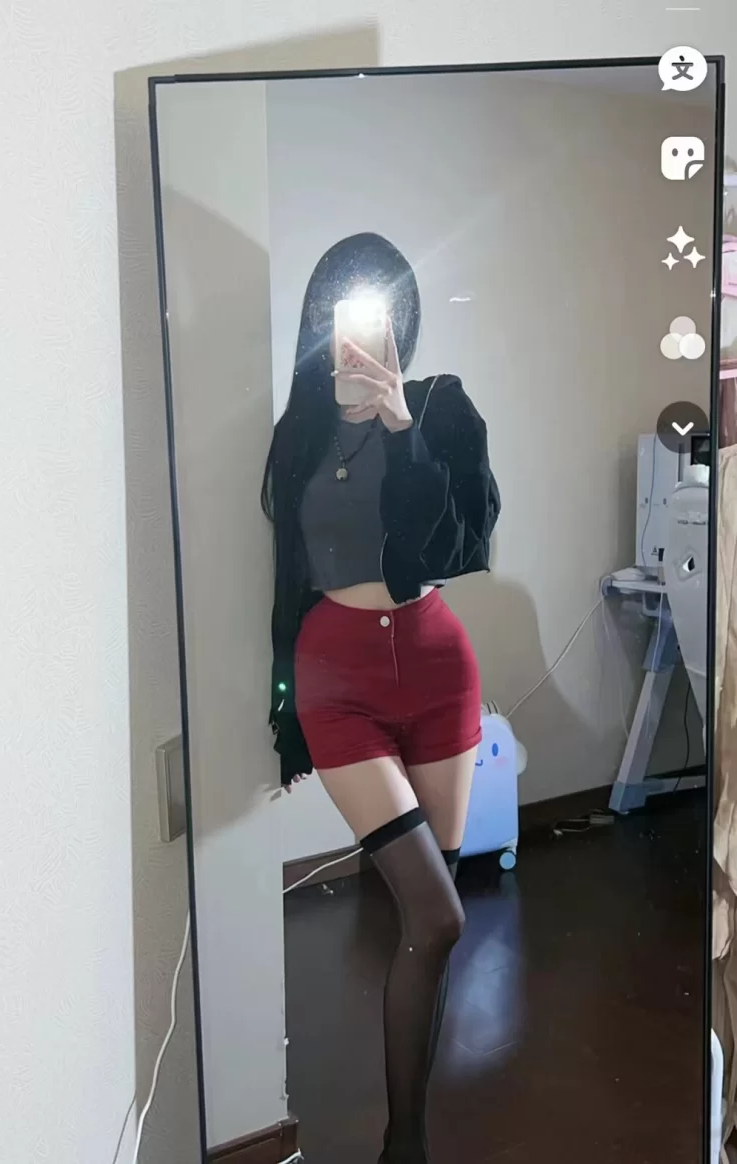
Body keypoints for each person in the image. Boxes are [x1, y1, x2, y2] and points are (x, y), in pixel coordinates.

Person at [261, 232, 500, 1164]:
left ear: (404, 317)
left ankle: (410, 1131)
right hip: (339, 678)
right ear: (322, 321)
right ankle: (407, 1145)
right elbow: (285, 574)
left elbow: (456, 543)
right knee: (438, 914)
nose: (364, 328)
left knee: (424, 930)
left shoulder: (441, 406)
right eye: (346, 308)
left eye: (381, 307)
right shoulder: (298, 429)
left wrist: (403, 429)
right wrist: (282, 707)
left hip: (438, 667)